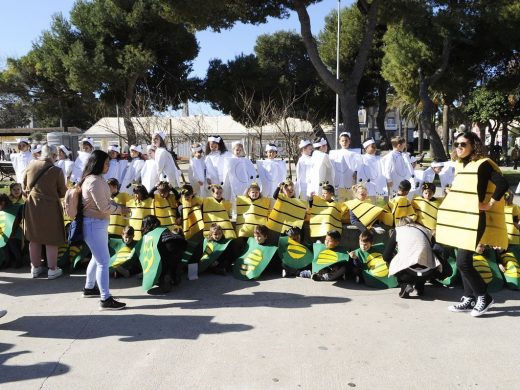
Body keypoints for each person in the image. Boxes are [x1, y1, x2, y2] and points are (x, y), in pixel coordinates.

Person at [437, 131, 509, 317]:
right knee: (463, 261)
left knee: (463, 262)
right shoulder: (460, 164)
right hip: (461, 219)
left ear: (473, 146)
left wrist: (489, 204)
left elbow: (502, 184)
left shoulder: (483, 164)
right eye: (456, 144)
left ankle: (484, 297)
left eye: (463, 144)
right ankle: (469, 299)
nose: (458, 148)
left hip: (476, 219)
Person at [81, 150, 130, 310]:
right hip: (94, 223)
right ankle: (105, 298)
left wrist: (117, 207)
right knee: (103, 260)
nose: (108, 166)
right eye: (106, 163)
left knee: (97, 257)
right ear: (98, 163)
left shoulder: (95, 179)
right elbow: (103, 207)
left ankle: (89, 288)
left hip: (96, 223)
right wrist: (120, 209)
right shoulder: (94, 181)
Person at [23, 144, 67, 280]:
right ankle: (52, 269)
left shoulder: (31, 165)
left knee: (34, 237)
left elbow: (24, 185)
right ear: (53, 155)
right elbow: (62, 192)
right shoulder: (57, 170)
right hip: (50, 207)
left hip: (32, 205)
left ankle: (35, 268)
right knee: (51, 239)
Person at [383, 217, 443, 298]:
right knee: (422, 259)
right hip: (428, 271)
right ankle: (420, 286)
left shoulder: (398, 230)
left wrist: (394, 263)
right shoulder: (426, 231)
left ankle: (405, 285)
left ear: (400, 224)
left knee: (396, 261)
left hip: (407, 273)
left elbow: (386, 256)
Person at [140, 215, 187, 292]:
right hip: (178, 249)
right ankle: (174, 277)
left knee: (159, 259)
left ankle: (166, 278)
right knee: (171, 260)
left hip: (168, 252)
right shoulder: (162, 228)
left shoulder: (151, 233)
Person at [329, 131, 359, 201]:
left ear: (349, 141)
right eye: (342, 141)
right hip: (338, 181)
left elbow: (358, 165)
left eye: (346, 140)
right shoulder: (334, 153)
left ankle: (350, 212)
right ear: (339, 141)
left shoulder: (355, 153)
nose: (344, 142)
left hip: (350, 180)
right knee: (339, 199)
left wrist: (356, 172)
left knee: (351, 199)